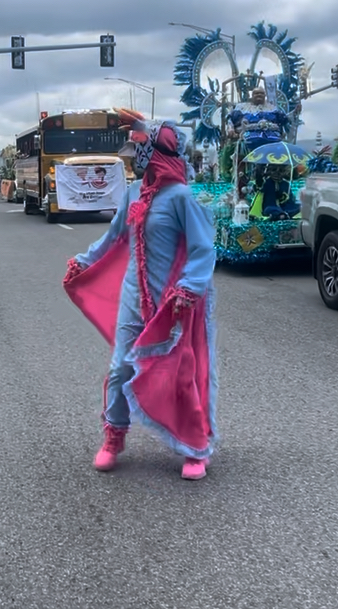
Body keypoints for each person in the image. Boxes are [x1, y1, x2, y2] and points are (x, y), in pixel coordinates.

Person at [63, 110, 219, 481]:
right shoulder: (134, 193)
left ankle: (195, 449)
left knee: (180, 374)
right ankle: (113, 438)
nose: (134, 162)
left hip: (173, 302)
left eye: (138, 153)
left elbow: (203, 248)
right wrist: (83, 262)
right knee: (120, 367)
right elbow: (114, 237)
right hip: (134, 296)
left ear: (156, 153)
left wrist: (190, 287)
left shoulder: (182, 197)